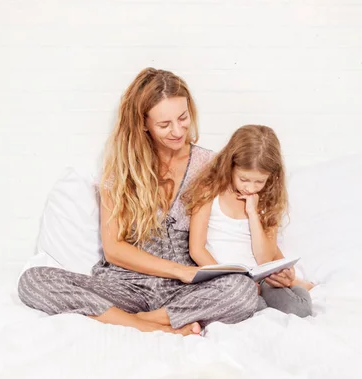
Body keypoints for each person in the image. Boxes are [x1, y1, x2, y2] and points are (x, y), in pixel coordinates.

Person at [18, 68, 259, 334]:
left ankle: (144, 319)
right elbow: (114, 249)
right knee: (33, 279)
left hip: (183, 293)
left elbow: (239, 222)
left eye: (183, 118)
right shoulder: (120, 169)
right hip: (125, 286)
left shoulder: (209, 165)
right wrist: (180, 271)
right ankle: (152, 325)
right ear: (143, 123)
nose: (178, 131)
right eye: (165, 124)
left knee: (244, 290)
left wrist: (260, 270)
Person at [184, 124, 314, 318]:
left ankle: (296, 285)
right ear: (230, 166)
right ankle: (286, 288)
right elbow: (196, 249)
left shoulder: (267, 200)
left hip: (260, 276)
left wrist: (253, 213)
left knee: (299, 309)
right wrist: (234, 281)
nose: (250, 188)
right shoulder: (209, 191)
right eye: (244, 179)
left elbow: (264, 259)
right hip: (224, 279)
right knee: (252, 307)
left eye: (259, 182)